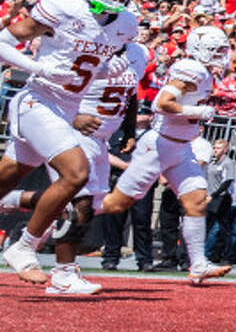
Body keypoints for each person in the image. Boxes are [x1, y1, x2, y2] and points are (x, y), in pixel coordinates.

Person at [0, 0, 143, 282]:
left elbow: (88, 60)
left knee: (7, 177)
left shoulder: (125, 24)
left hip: (66, 108)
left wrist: (106, 68)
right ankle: (24, 247)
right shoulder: (63, 8)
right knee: (76, 173)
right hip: (38, 100)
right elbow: (4, 41)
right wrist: (37, 67)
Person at [2, 38, 146, 294]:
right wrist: (72, 116)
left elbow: (131, 93)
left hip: (99, 137)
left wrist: (129, 129)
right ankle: (63, 272)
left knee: (91, 205)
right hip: (67, 126)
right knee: (80, 203)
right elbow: (48, 87)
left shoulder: (138, 53)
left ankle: (14, 200)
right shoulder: (84, 47)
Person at [97, 26, 235, 282]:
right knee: (116, 204)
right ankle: (60, 210)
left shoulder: (202, 71)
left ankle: (199, 265)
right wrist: (196, 113)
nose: (221, 54)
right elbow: (161, 103)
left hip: (180, 148)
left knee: (196, 201)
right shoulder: (192, 69)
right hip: (159, 146)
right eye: (216, 50)